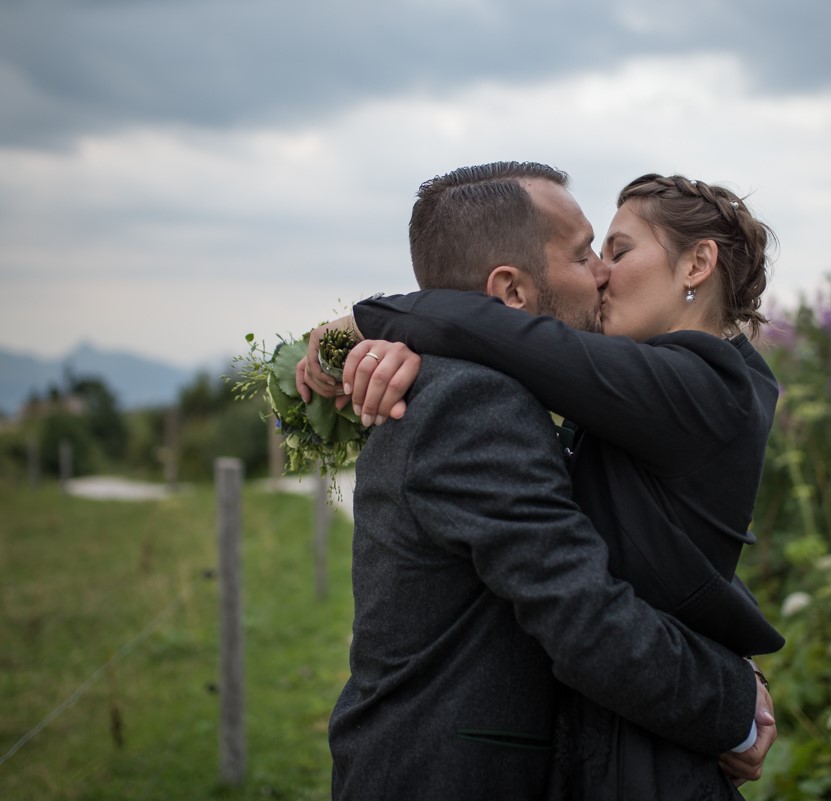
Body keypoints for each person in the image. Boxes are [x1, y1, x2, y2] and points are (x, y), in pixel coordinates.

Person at [300, 162, 775, 800]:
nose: (602, 272)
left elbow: (644, 562)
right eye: (588, 255)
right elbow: (635, 559)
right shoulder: (468, 401)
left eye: (617, 251)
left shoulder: (703, 384)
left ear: (698, 265)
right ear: (512, 290)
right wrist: (733, 693)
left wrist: (376, 322)